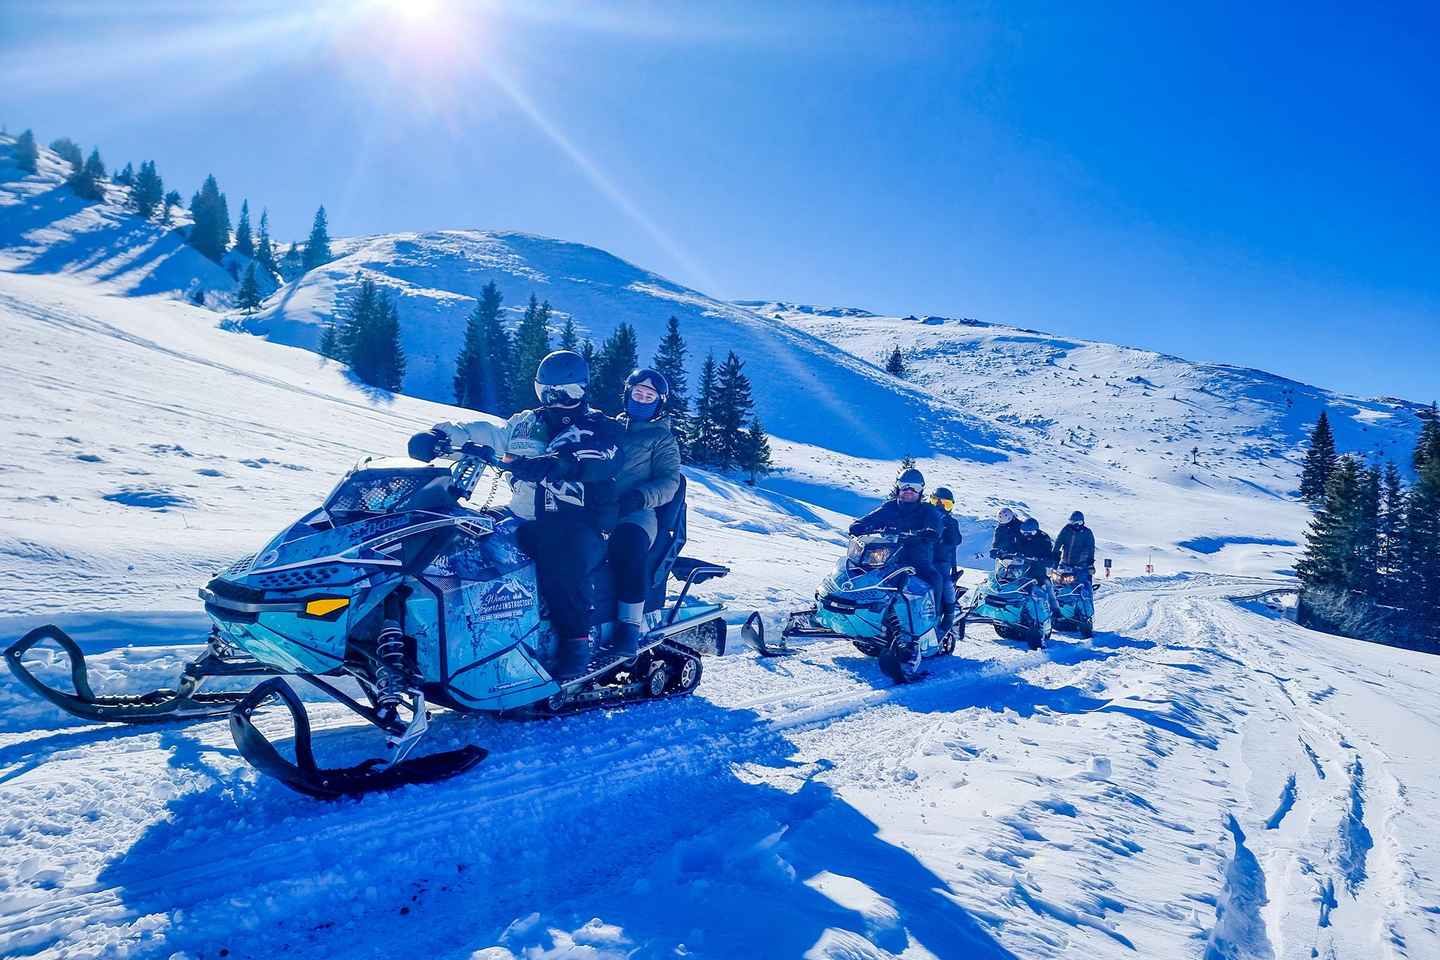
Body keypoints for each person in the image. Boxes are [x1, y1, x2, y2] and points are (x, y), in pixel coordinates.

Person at [410, 350, 624, 680]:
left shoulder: (597, 426)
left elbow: (603, 456)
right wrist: (444, 438)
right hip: (522, 515)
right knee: (465, 532)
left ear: (582, 390)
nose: (556, 400)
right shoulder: (527, 423)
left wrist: (559, 463)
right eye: (547, 392)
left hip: (579, 522)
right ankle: (462, 631)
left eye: (566, 393)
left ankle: (575, 643)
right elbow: (491, 434)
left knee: (559, 554)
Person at [607, 368, 682, 657]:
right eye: (638, 393)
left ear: (658, 403)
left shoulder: (662, 438)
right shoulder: (609, 428)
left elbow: (669, 482)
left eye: (649, 396)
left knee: (629, 546)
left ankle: (629, 625)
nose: (642, 400)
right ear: (627, 395)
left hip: (636, 512)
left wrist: (639, 497)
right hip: (596, 507)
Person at [849, 467, 942, 596]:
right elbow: (868, 520)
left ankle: (938, 615)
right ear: (898, 487)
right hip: (886, 556)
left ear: (921, 490)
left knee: (935, 579)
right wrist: (859, 527)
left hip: (917, 558)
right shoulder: (889, 507)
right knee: (858, 572)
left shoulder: (927, 510)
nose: (909, 491)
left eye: (915, 487)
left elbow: (935, 526)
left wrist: (929, 533)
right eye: (904, 486)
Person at [929, 486, 963, 637]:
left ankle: (949, 612)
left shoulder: (951, 522)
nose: (940, 506)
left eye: (945, 504)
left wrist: (947, 526)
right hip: (920, 557)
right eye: (936, 501)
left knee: (944, 581)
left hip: (940, 561)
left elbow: (956, 539)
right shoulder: (924, 517)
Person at [1015, 517, 1061, 615]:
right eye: (1024, 532)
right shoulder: (1020, 537)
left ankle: (1055, 611)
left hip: (1038, 569)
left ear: (1036, 531)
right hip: (1022, 569)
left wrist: (1043, 559)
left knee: (1048, 585)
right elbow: (1015, 547)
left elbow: (1049, 553)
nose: (1026, 535)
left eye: (1030, 533)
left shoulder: (1044, 538)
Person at [1053, 510, 1096, 577]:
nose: (1074, 524)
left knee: (1084, 581)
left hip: (1080, 565)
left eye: (1076, 522)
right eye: (1072, 522)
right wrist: (1054, 554)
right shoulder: (1066, 530)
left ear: (1081, 522)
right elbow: (1058, 542)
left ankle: (1088, 586)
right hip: (1065, 563)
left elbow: (1090, 548)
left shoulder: (1087, 533)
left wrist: (1090, 562)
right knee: (1057, 580)